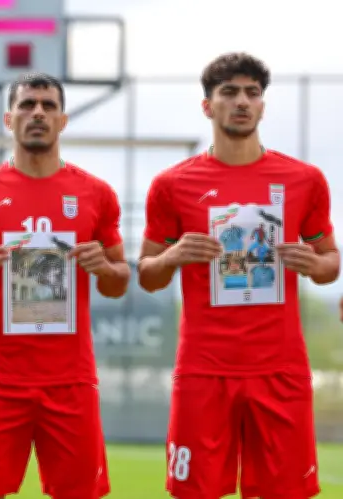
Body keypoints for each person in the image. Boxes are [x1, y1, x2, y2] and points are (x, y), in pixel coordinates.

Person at [138, 52, 340, 499]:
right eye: (229, 92)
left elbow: (331, 264)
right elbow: (147, 274)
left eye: (252, 92)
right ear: (208, 106)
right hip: (203, 370)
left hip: (280, 369)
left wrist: (313, 263)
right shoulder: (172, 185)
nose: (242, 101)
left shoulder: (304, 180)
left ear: (263, 106)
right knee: (195, 492)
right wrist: (173, 259)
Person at [0, 72, 130, 499]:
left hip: (70, 378)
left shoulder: (96, 194)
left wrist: (103, 268)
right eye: (27, 105)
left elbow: (119, 283)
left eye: (48, 105)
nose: (37, 113)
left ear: (63, 120)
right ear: (9, 119)